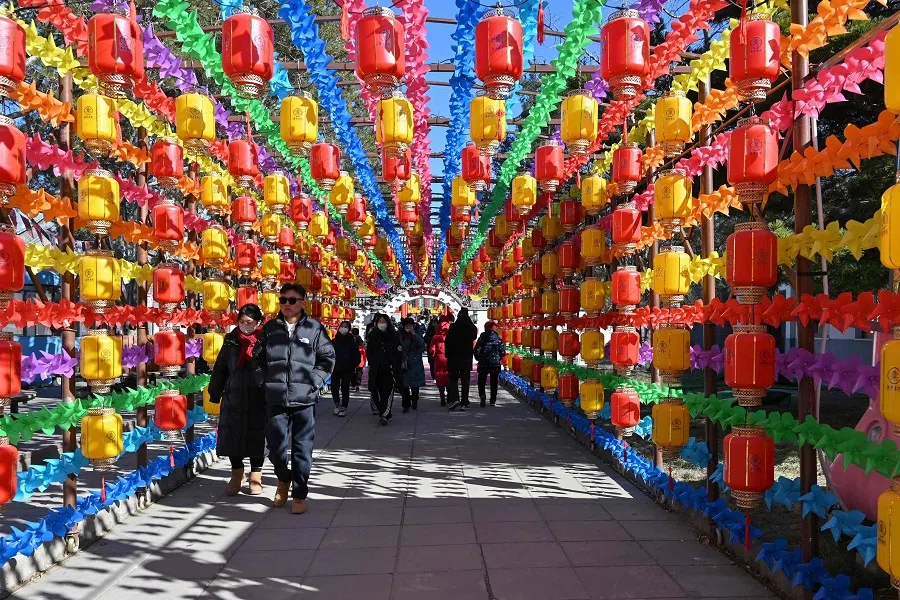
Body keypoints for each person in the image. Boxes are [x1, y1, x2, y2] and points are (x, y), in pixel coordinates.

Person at [253, 284, 335, 514]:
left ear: (302, 302)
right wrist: (263, 381)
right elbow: (257, 358)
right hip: (276, 398)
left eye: (292, 300)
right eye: (283, 300)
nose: (286, 304)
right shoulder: (269, 329)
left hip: (304, 400)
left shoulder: (314, 328)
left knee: (302, 449)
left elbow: (327, 357)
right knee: (276, 448)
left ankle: (299, 494)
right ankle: (283, 478)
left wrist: (315, 382)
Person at [207, 304, 267, 496]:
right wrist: (215, 392)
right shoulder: (231, 340)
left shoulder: (265, 340)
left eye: (249, 322)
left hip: (259, 396)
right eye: (241, 322)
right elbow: (221, 367)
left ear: (258, 322)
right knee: (233, 436)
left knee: (257, 435)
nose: (245, 326)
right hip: (234, 395)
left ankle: (256, 474)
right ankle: (237, 473)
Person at [366, 313, 403, 425]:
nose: (382, 324)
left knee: (387, 393)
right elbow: (369, 352)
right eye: (380, 322)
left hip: (389, 369)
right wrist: (372, 363)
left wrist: (395, 364)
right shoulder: (373, 335)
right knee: (376, 392)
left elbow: (399, 352)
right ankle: (382, 411)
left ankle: (385, 414)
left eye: (384, 322)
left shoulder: (394, 335)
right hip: (376, 369)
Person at [445, 307, 478, 411]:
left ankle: (455, 399)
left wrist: (447, 355)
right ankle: (464, 402)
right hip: (466, 358)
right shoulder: (471, 328)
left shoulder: (453, 327)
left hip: (453, 358)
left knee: (453, 379)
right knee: (465, 381)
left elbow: (448, 341)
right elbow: (474, 337)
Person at [330, 320, 361, 418]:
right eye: (342, 326)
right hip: (335, 369)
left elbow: (357, 357)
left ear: (349, 329)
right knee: (334, 388)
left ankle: (344, 407)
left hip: (347, 370)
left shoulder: (352, 342)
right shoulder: (334, 341)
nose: (343, 328)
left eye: (346, 327)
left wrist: (351, 365)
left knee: (345, 388)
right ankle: (337, 404)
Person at [474, 321, 505, 407]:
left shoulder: (481, 338)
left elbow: (476, 349)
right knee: (494, 381)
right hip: (494, 362)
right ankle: (492, 400)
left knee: (481, 380)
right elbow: (502, 351)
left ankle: (482, 395)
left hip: (483, 361)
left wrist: (478, 358)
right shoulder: (498, 338)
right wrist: (499, 358)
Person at [399, 317, 426, 413]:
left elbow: (421, 343)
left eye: (410, 325)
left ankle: (414, 400)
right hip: (404, 363)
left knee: (415, 385)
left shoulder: (417, 333)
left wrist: (414, 334)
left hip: (415, 363)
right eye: (406, 325)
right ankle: (406, 405)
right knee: (404, 386)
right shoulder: (400, 335)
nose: (408, 327)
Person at [428, 316, 451, 406]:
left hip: (439, 358)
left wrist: (432, 356)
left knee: (439, 376)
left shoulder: (435, 337)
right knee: (448, 376)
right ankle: (449, 396)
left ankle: (442, 397)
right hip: (448, 358)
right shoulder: (450, 336)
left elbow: (432, 350)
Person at [352, 326, 365, 392]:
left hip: (352, 360)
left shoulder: (351, 340)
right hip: (361, 361)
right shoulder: (361, 342)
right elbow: (364, 353)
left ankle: (353, 385)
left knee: (352, 372)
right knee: (359, 373)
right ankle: (357, 385)